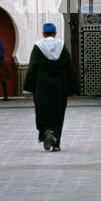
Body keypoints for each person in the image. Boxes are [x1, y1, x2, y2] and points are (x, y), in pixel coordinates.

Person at [24, 23, 80, 152]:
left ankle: (46, 131)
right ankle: (56, 144)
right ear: (55, 33)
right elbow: (69, 69)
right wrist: (74, 89)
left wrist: (28, 87)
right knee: (58, 113)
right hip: (59, 87)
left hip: (42, 86)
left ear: (43, 33)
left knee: (42, 112)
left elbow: (33, 67)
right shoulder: (62, 47)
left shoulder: (38, 47)